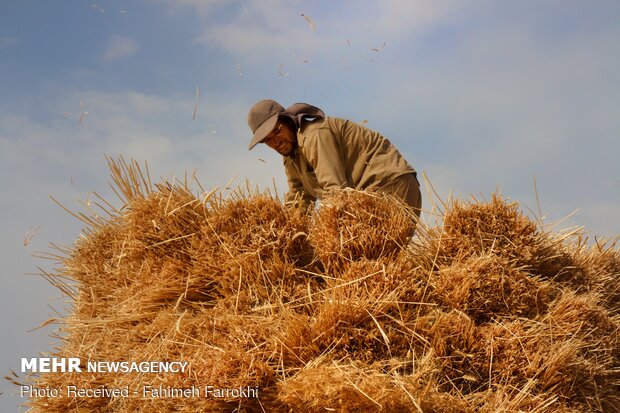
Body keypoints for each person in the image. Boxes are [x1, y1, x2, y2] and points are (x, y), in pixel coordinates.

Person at [247, 99, 422, 220]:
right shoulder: (290, 158)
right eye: (267, 140)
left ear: (287, 121)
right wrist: (288, 238)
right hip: (368, 196)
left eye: (277, 131)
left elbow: (336, 193)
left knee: (366, 256)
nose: (275, 142)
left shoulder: (315, 135)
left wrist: (326, 234)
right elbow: (299, 202)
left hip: (389, 184)